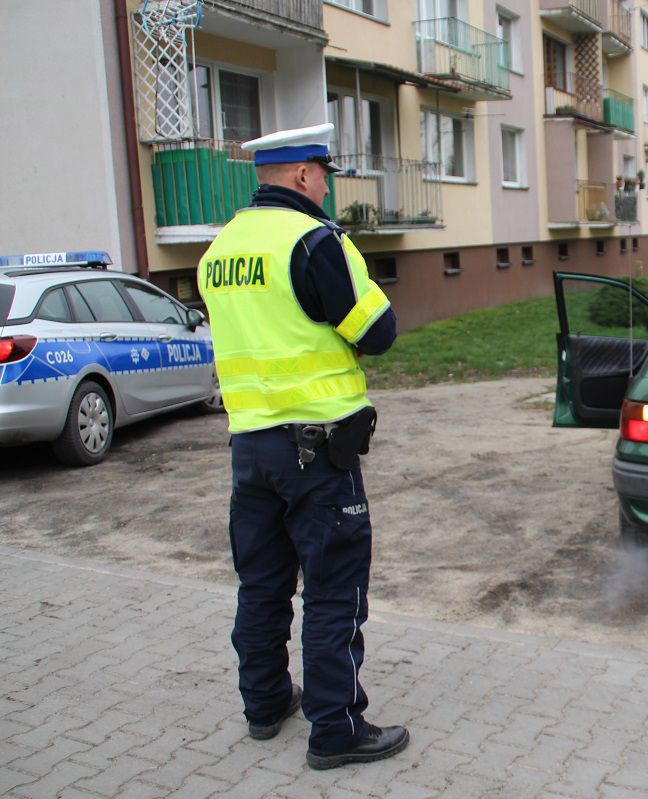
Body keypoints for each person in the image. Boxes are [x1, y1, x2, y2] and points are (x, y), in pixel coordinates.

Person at [197, 122, 408, 770]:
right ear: (300, 175)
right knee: (333, 591)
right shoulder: (315, 242)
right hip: (318, 452)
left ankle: (264, 704)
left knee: (260, 583)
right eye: (323, 172)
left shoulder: (219, 250)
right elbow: (379, 331)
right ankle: (336, 728)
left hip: (249, 448)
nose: (326, 184)